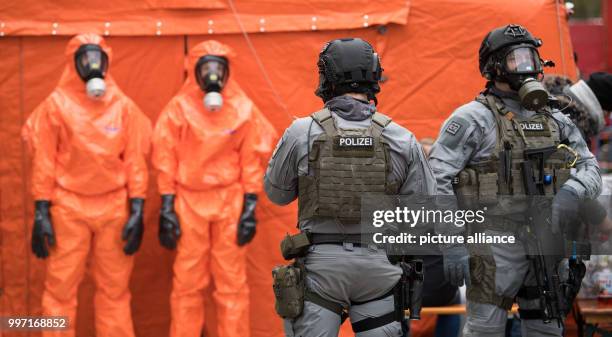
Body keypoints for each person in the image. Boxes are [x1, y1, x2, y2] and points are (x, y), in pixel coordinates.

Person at [428, 24, 601, 337]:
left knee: (547, 329)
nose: (526, 66)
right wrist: (451, 243)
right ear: (494, 66)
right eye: (516, 58)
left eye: (531, 56)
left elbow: (590, 167)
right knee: (484, 330)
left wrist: (573, 191)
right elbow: (437, 180)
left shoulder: (555, 117)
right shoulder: (471, 119)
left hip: (546, 241)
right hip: (495, 243)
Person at [265, 37, 436, 337]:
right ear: (374, 76)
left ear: (326, 77)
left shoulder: (302, 131)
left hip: (320, 268)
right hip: (379, 268)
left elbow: (276, 193)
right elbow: (423, 212)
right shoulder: (400, 136)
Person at [22, 33, 151, 337]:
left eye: (98, 59)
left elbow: (135, 160)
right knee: (59, 290)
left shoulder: (122, 107)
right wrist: (41, 210)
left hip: (113, 206)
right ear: (74, 64)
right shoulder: (56, 106)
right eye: (85, 59)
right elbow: (44, 160)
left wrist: (137, 207)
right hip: (69, 207)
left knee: (115, 290)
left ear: (107, 62)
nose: (92, 65)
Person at [151, 40, 275, 337]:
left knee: (232, 284)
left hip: (229, 201)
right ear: (194, 71)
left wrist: (248, 205)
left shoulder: (242, 110)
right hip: (189, 201)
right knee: (187, 284)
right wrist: (167, 204)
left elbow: (251, 159)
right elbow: (164, 155)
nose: (212, 75)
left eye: (217, 68)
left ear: (227, 71)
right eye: (205, 68)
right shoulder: (179, 109)